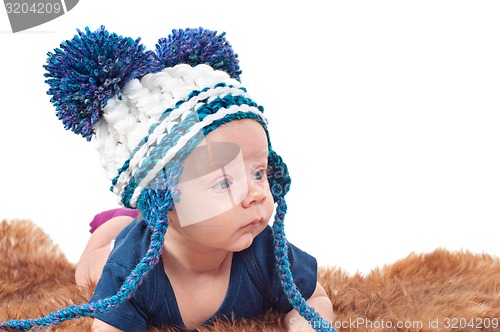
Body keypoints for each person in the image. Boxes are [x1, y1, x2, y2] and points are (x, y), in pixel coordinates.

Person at [0, 27, 335, 331]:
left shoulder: (266, 251)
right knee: (90, 271)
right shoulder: (132, 269)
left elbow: (314, 300)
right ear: (163, 200)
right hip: (135, 238)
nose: (256, 195)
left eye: (259, 172)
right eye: (224, 182)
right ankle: (112, 228)